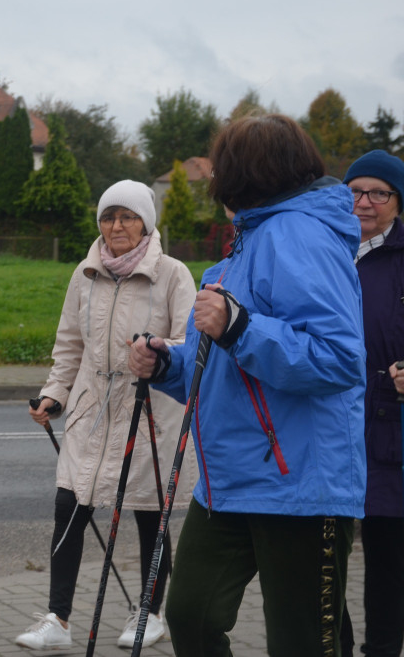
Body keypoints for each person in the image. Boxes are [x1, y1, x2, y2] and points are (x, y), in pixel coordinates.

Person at [128, 114, 366, 656]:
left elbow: (338, 358)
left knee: (304, 642)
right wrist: (169, 364)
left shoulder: (300, 235)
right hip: (229, 481)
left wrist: (239, 326)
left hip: (302, 484)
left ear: (247, 170)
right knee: (189, 616)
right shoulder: (250, 238)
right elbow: (226, 363)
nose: (213, 175)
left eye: (220, 164)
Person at [15, 180, 196, 650]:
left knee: (148, 514)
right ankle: (58, 619)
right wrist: (53, 395)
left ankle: (151, 613)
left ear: (146, 224)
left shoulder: (173, 274)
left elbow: (190, 345)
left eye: (127, 217)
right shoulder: (86, 273)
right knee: (68, 509)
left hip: (149, 411)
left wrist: (157, 355)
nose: (116, 226)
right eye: (109, 217)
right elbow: (70, 343)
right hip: (92, 409)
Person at [342, 149, 404, 657]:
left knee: (387, 555)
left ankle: (382, 649)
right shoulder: (325, 251)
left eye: (377, 193)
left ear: (396, 202)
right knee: (324, 555)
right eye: (354, 191)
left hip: (389, 427)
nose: (363, 202)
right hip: (331, 425)